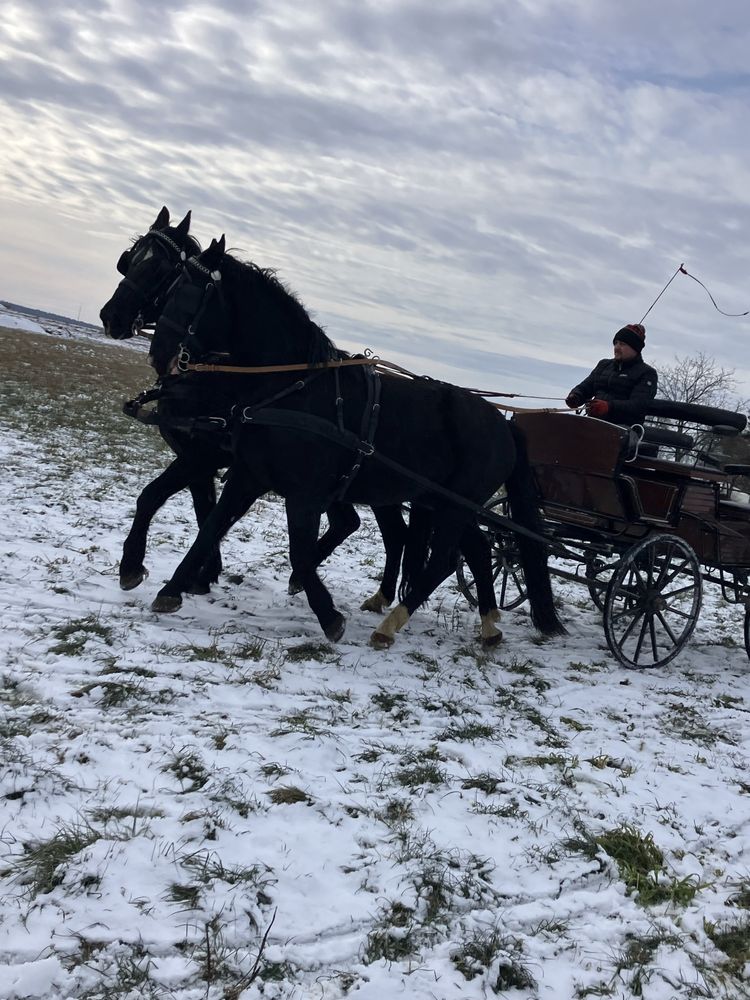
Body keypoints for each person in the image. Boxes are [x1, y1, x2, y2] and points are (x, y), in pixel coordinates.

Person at [565, 323, 658, 425]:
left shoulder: (647, 373)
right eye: (615, 343)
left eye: (622, 344)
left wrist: (609, 407)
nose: (617, 347)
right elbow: (586, 386)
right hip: (594, 422)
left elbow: (639, 405)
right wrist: (576, 396)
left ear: (635, 348)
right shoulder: (604, 365)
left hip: (624, 429)